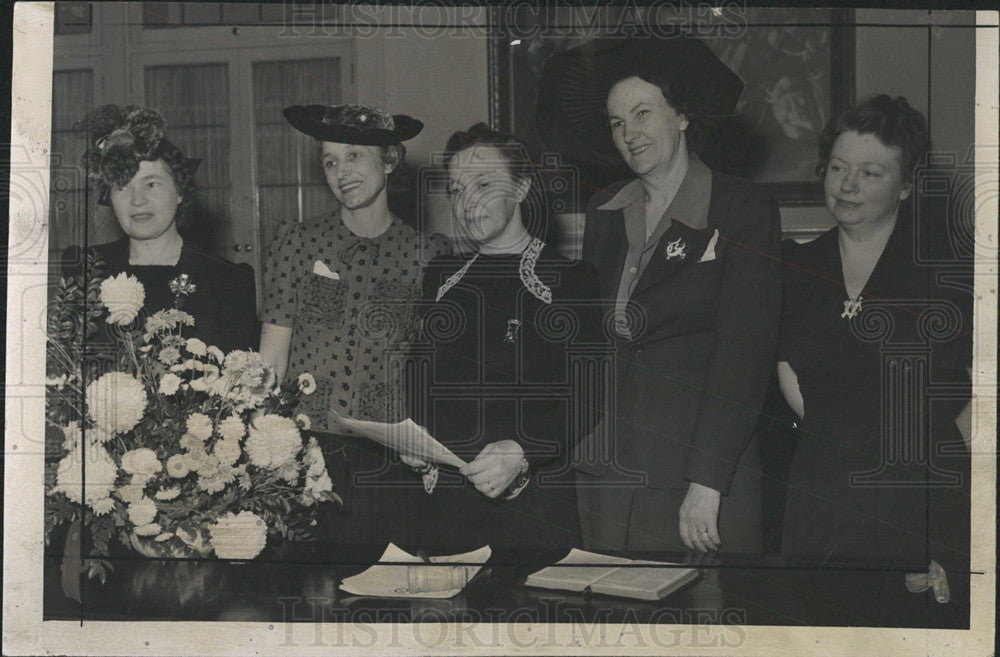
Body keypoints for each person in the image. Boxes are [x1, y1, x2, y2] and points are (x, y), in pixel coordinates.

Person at [537, 36, 782, 553]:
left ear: (683, 116)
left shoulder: (742, 207)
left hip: (697, 471)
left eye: (643, 113)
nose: (630, 134)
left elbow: (746, 353)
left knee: (698, 624)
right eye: (617, 123)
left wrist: (708, 481)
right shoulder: (606, 210)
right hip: (608, 467)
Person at [777, 95, 971, 580]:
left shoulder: (945, 272)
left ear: (906, 186)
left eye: (870, 173)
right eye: (838, 167)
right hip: (819, 494)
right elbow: (789, 372)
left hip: (919, 499)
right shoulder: (797, 267)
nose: (847, 185)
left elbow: (971, 401)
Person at [402, 123, 606, 553]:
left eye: (483, 184)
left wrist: (522, 449)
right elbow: (417, 376)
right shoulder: (441, 276)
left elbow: (586, 396)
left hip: (531, 507)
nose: (467, 202)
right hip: (443, 508)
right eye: (456, 189)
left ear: (521, 188)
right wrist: (412, 437)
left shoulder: (570, 279)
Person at [259, 104, 450, 548]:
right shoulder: (300, 244)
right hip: (305, 448)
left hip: (388, 456)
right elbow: (272, 353)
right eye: (329, 160)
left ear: (388, 160)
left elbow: (429, 368)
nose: (340, 171)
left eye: (354, 156)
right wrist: (266, 446)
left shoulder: (427, 256)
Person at [68, 104, 258, 353]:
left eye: (152, 184)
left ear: (179, 191)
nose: (137, 200)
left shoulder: (228, 280)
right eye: (122, 187)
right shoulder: (86, 270)